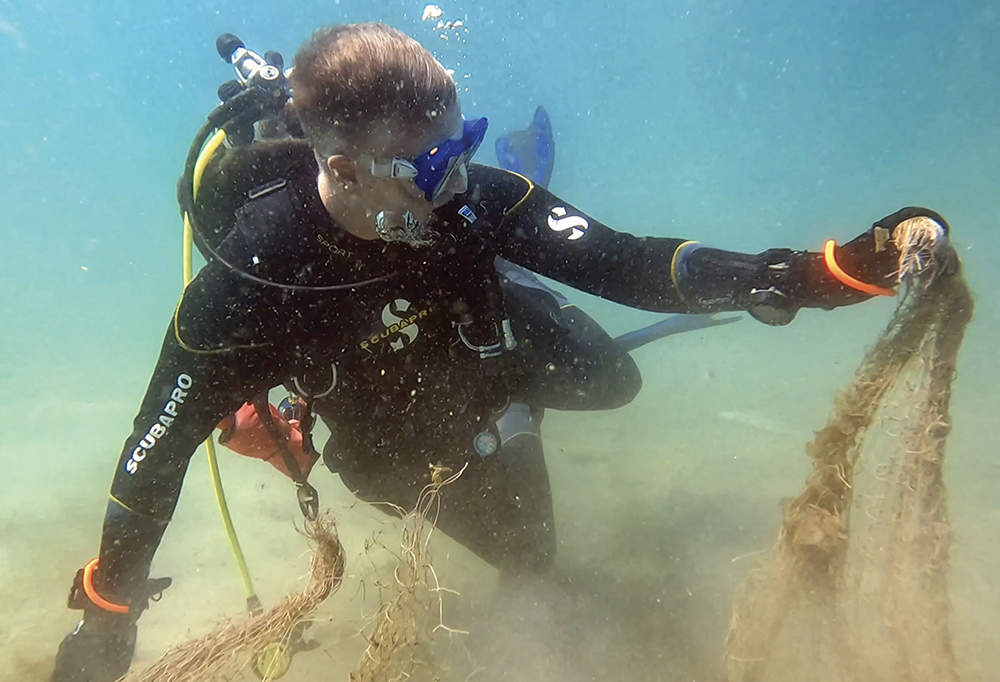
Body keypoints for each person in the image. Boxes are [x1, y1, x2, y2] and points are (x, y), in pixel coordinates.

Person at [50, 21, 949, 682]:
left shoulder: (476, 200)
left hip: (485, 346)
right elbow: (153, 454)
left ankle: (514, 342)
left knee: (613, 377)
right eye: (433, 164)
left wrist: (813, 274)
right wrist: (107, 611)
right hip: (371, 402)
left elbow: (629, 260)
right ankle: (490, 395)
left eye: (464, 148)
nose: (461, 182)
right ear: (346, 169)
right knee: (524, 554)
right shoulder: (253, 279)